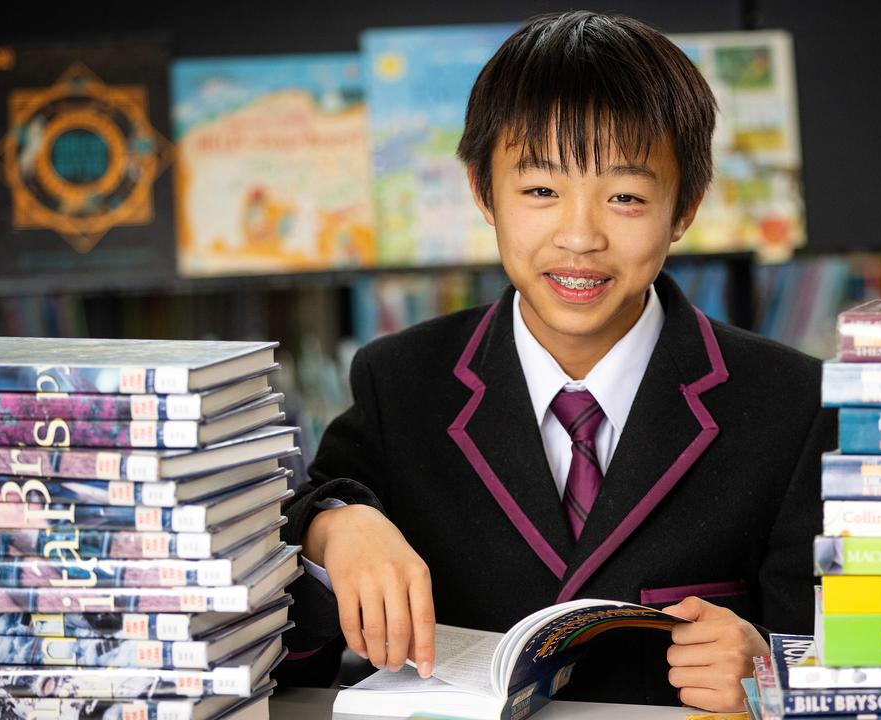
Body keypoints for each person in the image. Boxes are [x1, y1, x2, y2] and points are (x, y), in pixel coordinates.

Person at [279, 10, 836, 711]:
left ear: (685, 208)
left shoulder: (789, 403)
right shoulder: (401, 383)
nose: (579, 236)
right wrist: (335, 528)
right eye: (540, 190)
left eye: (626, 197)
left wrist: (770, 675)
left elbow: (841, 656)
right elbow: (293, 652)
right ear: (484, 191)